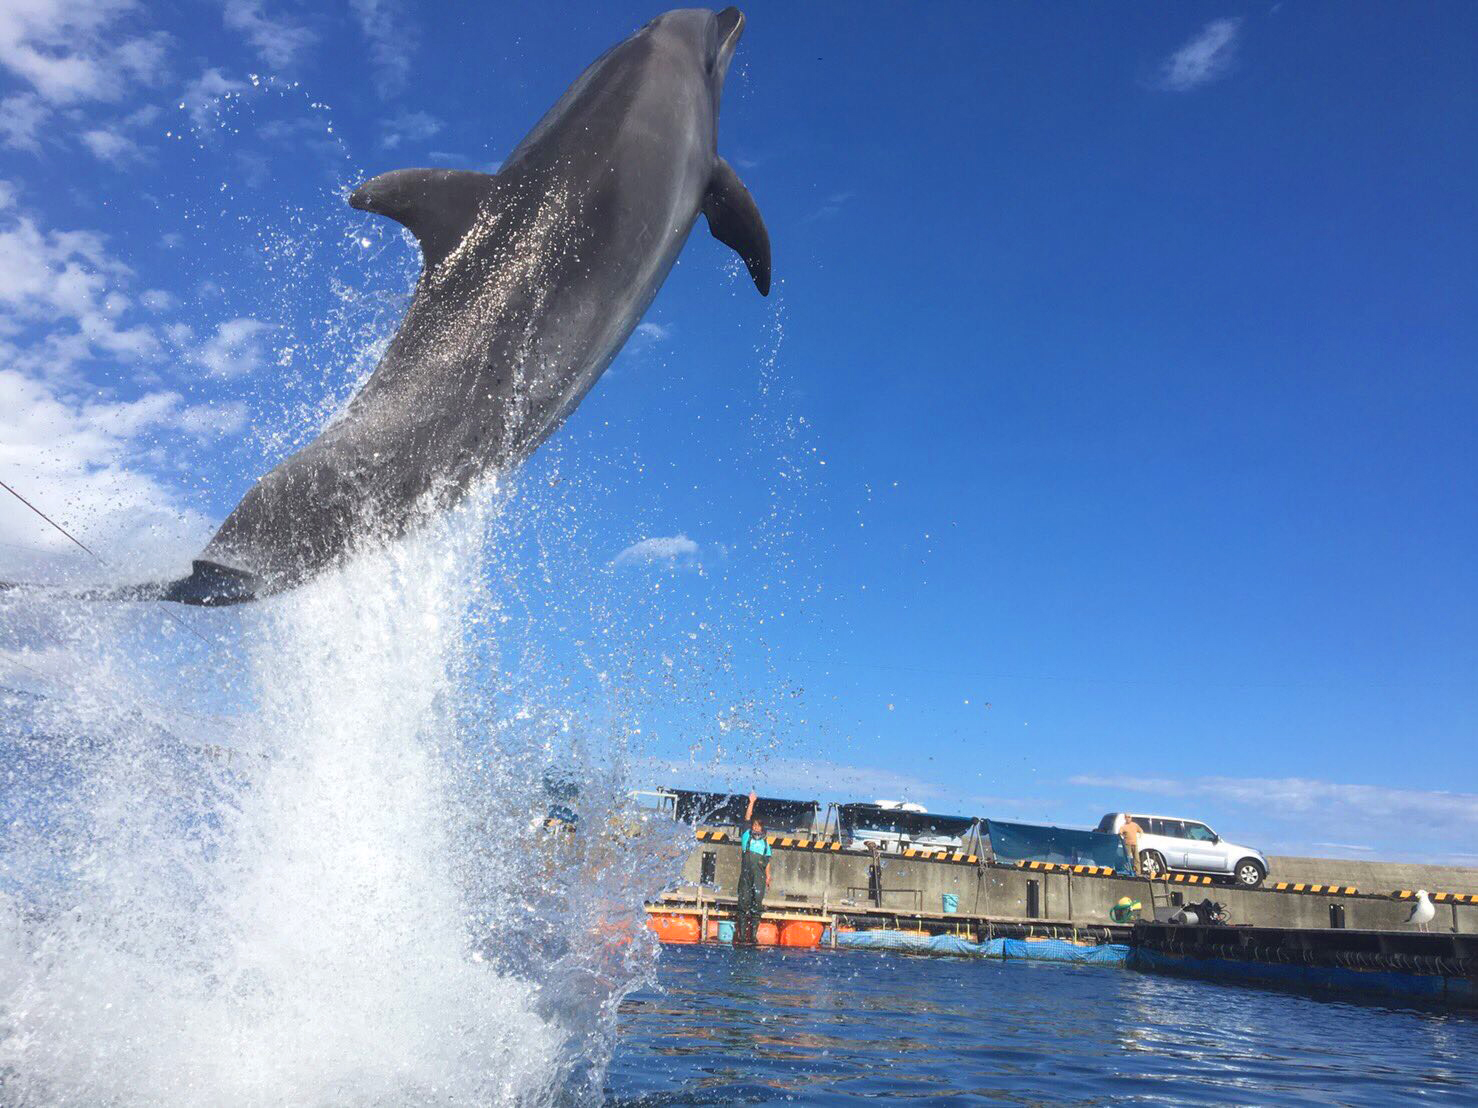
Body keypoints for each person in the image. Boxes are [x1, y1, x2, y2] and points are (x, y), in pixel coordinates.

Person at [734, 790, 772, 945]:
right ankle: (742, 936)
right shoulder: (746, 836)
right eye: (754, 825)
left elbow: (767, 860)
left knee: (757, 905)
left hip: (760, 877)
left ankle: (753, 935)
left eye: (759, 826)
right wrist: (751, 802)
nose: (756, 828)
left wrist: (768, 876)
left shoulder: (765, 843)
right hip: (746, 876)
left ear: (762, 828)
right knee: (743, 904)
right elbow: (747, 818)